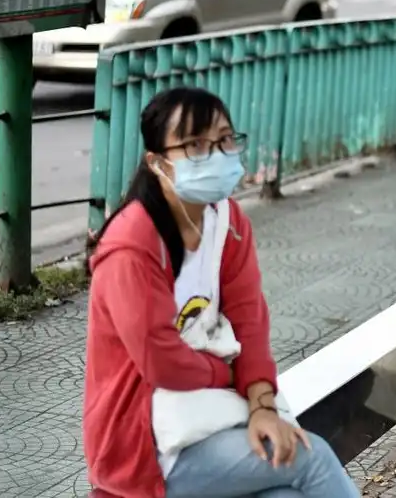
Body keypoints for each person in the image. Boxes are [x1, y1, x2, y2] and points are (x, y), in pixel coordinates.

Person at [83, 87, 361, 498]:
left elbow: (249, 319)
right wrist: (226, 372)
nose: (215, 154)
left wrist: (262, 406)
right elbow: (159, 359)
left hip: (209, 414)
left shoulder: (227, 222)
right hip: (145, 443)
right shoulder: (133, 244)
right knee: (311, 458)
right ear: (158, 162)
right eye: (195, 145)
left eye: (224, 140)